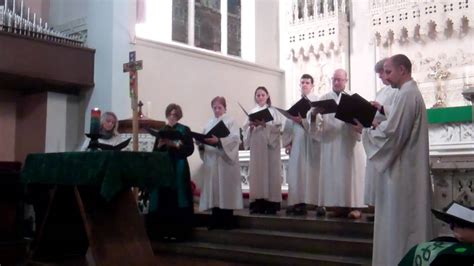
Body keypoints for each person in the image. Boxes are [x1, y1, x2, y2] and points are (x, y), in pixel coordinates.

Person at [355, 54, 432, 266]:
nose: (386, 77)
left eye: (388, 72)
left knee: (401, 224)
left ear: (403, 70)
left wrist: (365, 132)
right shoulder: (406, 94)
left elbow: (393, 134)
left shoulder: (407, 95)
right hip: (404, 168)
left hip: (403, 172)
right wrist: (379, 116)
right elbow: (397, 124)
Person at [309, 69, 366, 219]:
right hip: (331, 142)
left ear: (346, 81)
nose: (336, 82)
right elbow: (314, 122)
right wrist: (314, 114)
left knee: (351, 174)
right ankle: (338, 206)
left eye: (340, 79)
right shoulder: (325, 98)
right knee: (334, 174)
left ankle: (356, 207)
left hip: (349, 141)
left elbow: (363, 120)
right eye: (334, 79)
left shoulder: (353, 98)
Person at [146, 103, 195, 241]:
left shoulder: (184, 130)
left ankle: (180, 233)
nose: (172, 117)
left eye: (174, 115)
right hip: (164, 167)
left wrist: (175, 144)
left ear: (178, 116)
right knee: (164, 197)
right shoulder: (162, 130)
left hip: (178, 166)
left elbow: (190, 149)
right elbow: (155, 152)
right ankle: (162, 232)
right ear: (167, 115)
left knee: (179, 197)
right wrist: (161, 145)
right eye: (170, 114)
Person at [196, 96, 243, 229]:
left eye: (219, 107)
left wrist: (220, 141)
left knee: (225, 190)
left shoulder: (231, 121)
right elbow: (204, 138)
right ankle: (215, 219)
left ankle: (227, 220)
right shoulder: (209, 123)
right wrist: (200, 143)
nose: (217, 110)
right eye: (214, 108)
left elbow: (235, 139)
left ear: (225, 108)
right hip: (212, 162)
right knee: (215, 191)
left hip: (225, 162)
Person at [363, 59, 398, 220]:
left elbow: (398, 114)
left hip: (385, 136)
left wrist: (381, 108)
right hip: (375, 135)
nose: (382, 77)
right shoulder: (382, 91)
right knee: (374, 174)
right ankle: (376, 208)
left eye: (383, 73)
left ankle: (384, 209)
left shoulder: (398, 90)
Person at [282, 74, 320, 216]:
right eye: (302, 82)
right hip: (298, 141)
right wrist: (288, 142)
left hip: (312, 142)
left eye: (307, 82)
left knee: (313, 172)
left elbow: (320, 122)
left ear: (312, 85)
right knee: (297, 172)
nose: (304, 85)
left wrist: (302, 121)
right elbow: (288, 124)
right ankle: (298, 202)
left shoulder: (317, 101)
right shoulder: (295, 102)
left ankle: (318, 204)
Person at [243, 86, 283, 215]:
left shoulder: (273, 111)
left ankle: (271, 205)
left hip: (269, 150)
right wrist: (250, 127)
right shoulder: (252, 111)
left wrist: (265, 125)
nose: (260, 97)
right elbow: (245, 131)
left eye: (262, 95)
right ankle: (258, 203)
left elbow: (278, 130)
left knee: (270, 174)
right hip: (256, 148)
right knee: (257, 175)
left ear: (267, 96)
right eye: (258, 95)